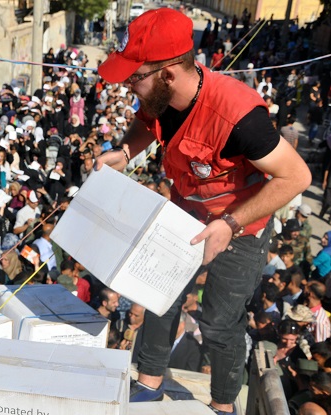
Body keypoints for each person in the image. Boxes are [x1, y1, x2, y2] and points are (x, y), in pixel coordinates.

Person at [96, 9, 311, 414]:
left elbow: (296, 176)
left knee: (218, 321)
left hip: (241, 223)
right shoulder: (160, 96)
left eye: (134, 77)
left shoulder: (238, 116)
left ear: (168, 74)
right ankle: (151, 380)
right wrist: (125, 151)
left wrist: (230, 223)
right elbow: (146, 122)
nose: (128, 86)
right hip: (186, 211)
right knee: (159, 292)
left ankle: (223, 403)